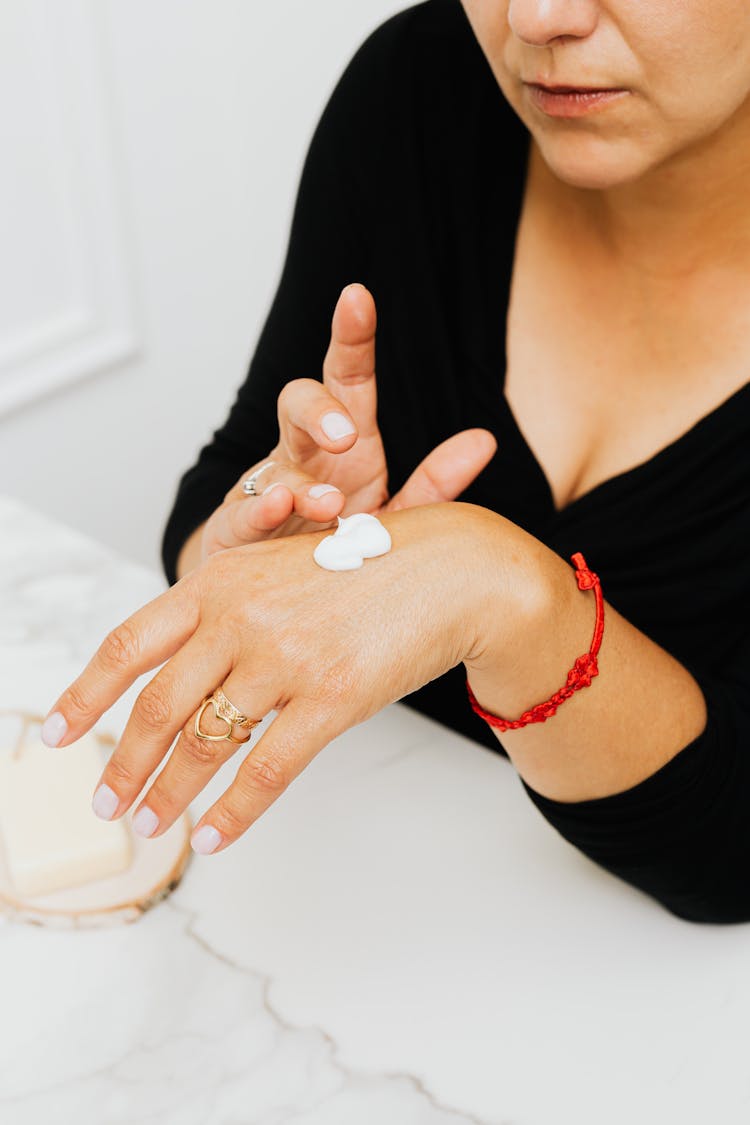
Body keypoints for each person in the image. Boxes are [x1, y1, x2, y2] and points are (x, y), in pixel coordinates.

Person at [43, 0, 749, 923]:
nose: (537, 18)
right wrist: (264, 548)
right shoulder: (426, 86)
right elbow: (234, 475)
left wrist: (509, 597)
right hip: (359, 916)